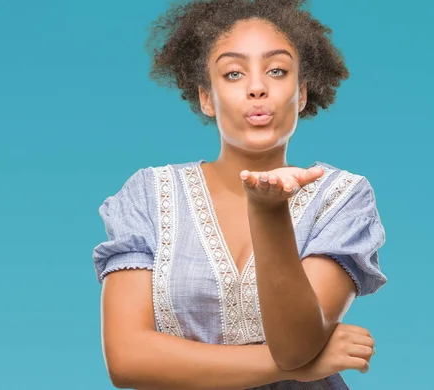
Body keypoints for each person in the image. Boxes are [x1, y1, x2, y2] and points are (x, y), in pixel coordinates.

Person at [91, 0, 387, 388]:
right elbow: (126, 359)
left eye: (277, 71)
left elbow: (296, 345)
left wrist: (269, 213)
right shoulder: (148, 194)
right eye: (233, 74)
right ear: (207, 98)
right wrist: (297, 366)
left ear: (300, 94)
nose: (257, 88)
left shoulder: (342, 197)